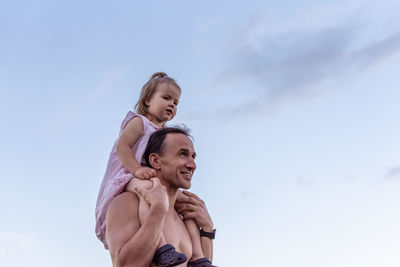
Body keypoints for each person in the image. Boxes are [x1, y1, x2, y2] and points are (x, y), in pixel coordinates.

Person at [95, 72, 209, 266]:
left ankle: (199, 258)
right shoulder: (139, 122)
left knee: (191, 205)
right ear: (147, 101)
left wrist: (208, 231)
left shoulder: (162, 133)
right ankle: (163, 248)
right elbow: (122, 147)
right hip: (129, 174)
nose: (172, 105)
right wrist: (137, 170)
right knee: (149, 194)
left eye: (176, 102)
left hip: (150, 177)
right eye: (166, 98)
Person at [105, 127, 215, 267]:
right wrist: (157, 211)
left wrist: (207, 231)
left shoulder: (184, 217)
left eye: (193, 157)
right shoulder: (128, 202)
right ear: (156, 161)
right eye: (182, 154)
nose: (192, 165)